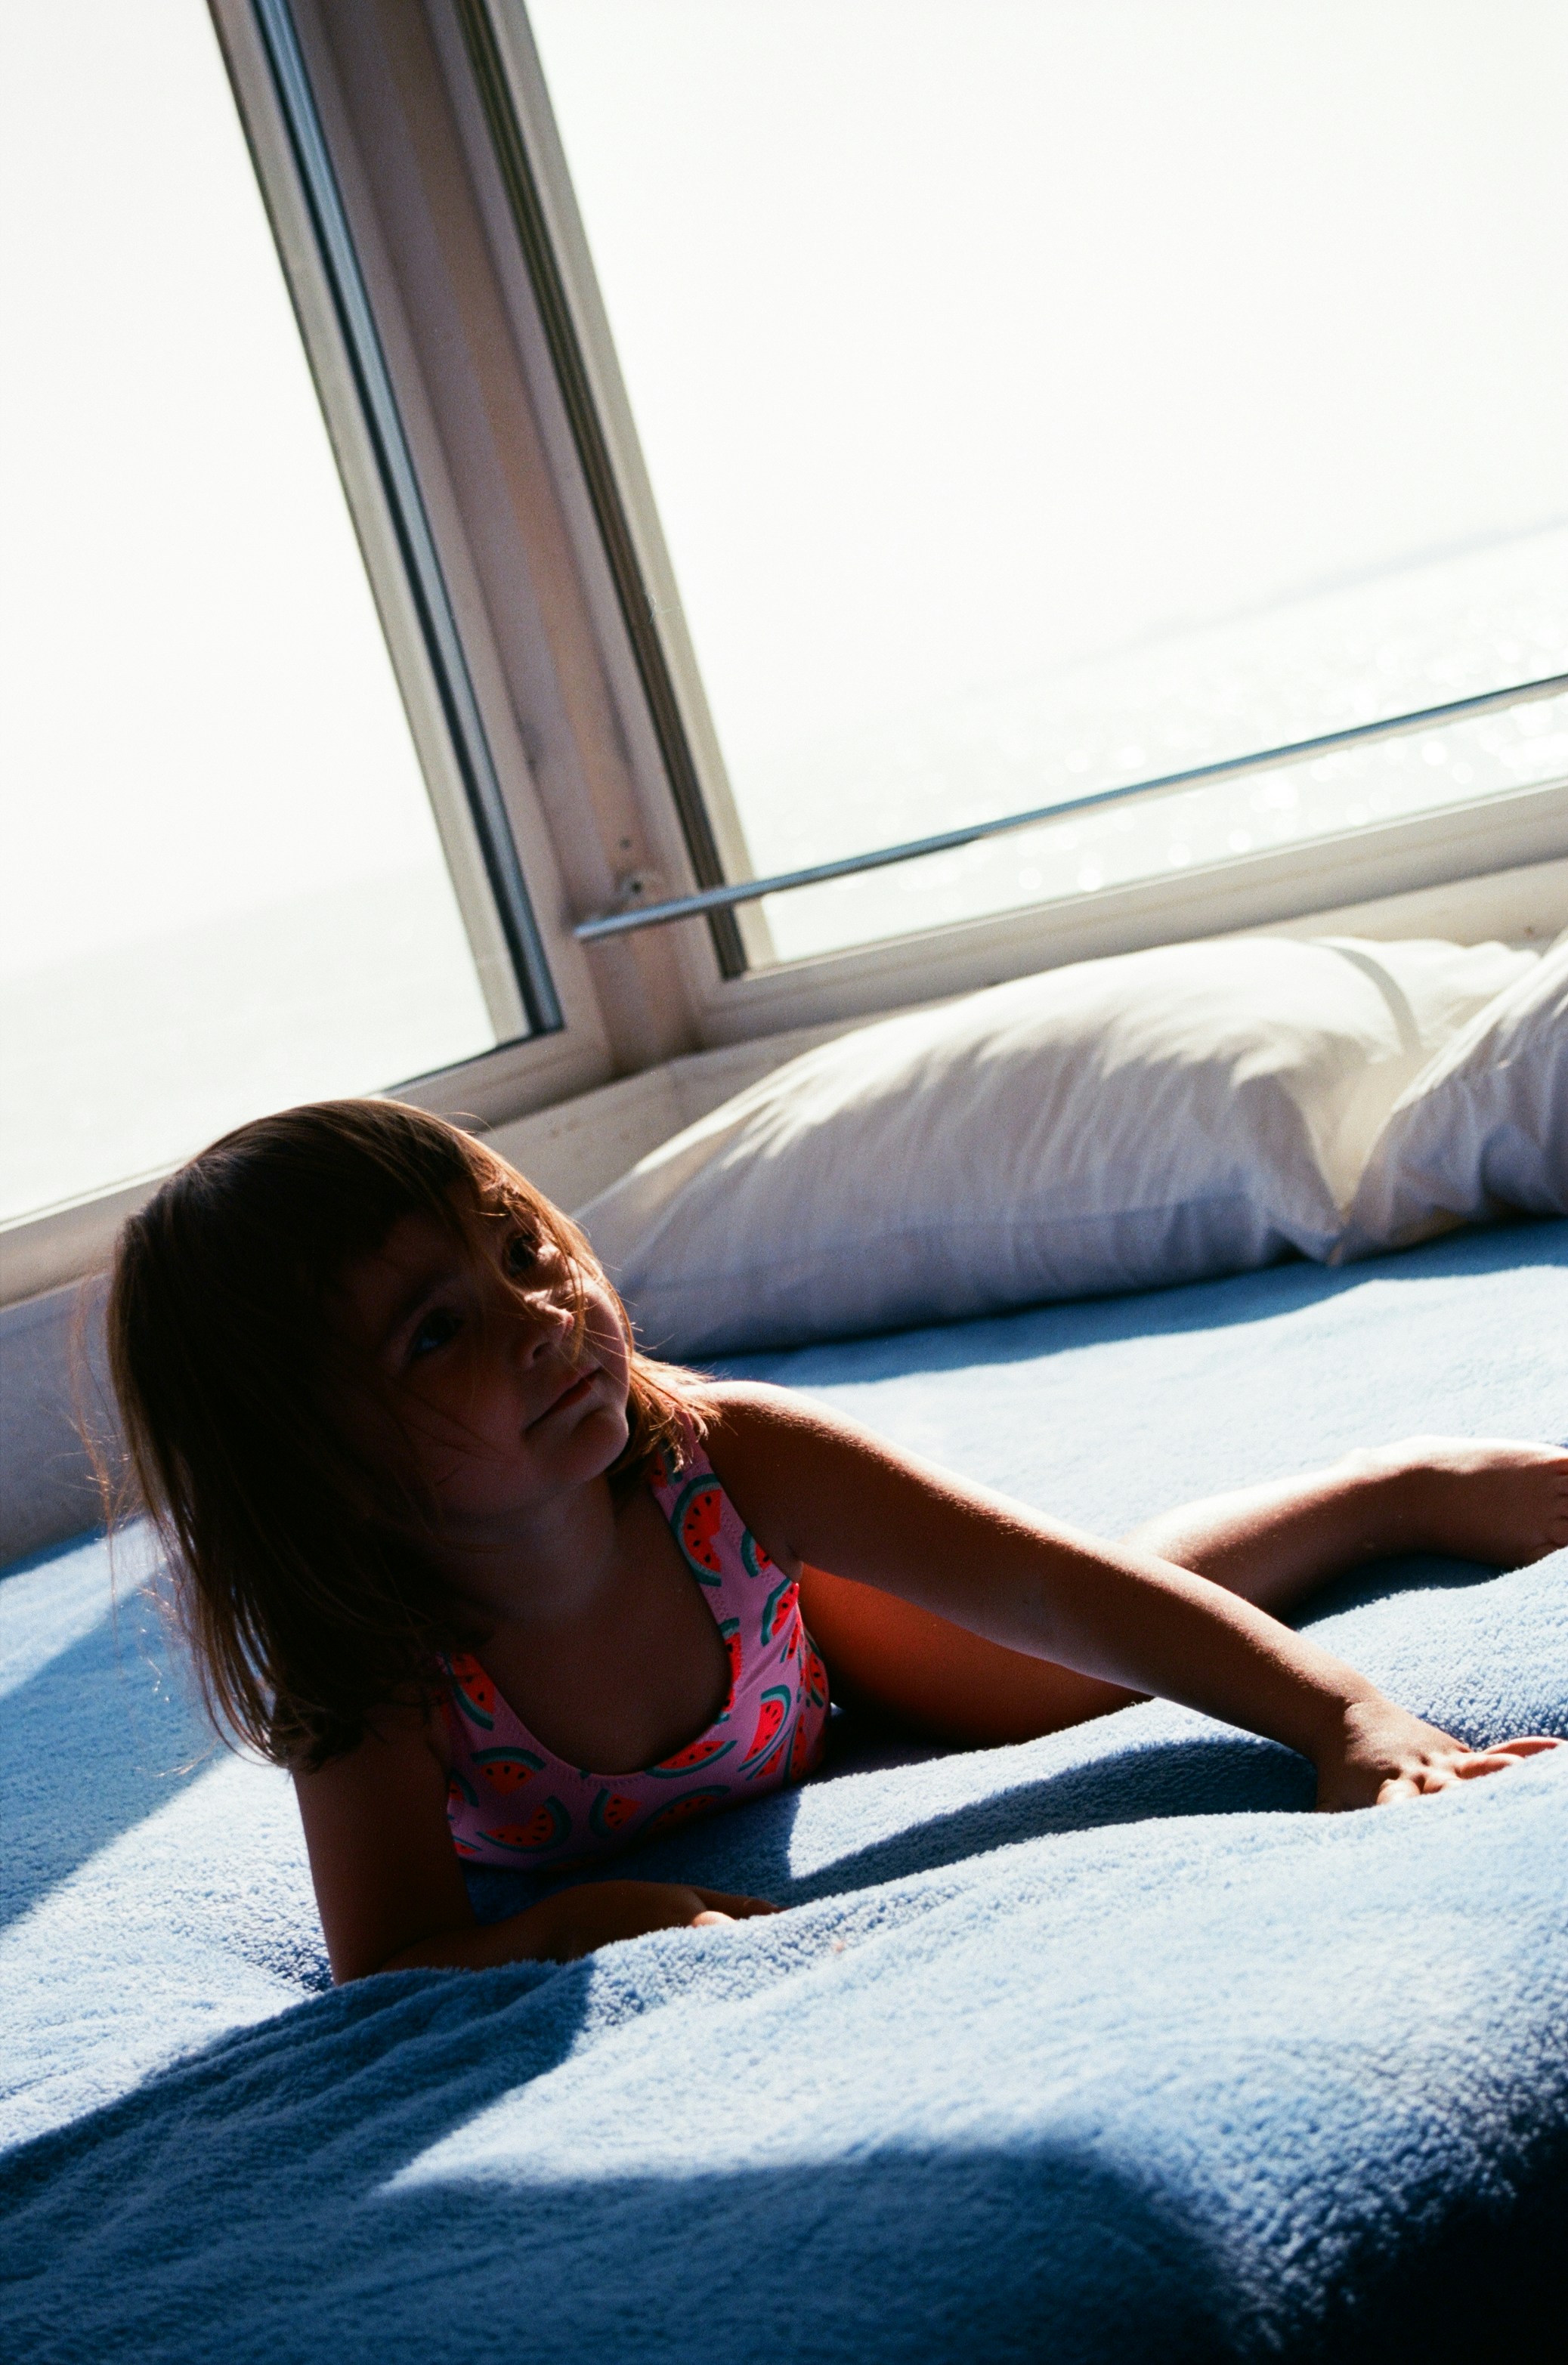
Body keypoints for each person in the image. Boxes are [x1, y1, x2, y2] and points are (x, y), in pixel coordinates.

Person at [104, 1099, 1566, 1984]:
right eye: (439, 1329)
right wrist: (589, 1920)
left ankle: (1392, 1484)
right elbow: (393, 1964)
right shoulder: (368, 1667)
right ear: (326, 1471)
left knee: (1042, 1671)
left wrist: (1349, 1718)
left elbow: (1064, 1584)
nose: (541, 1313)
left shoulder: (724, 1465)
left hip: (793, 1655)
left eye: (524, 1250)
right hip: (705, 1734)